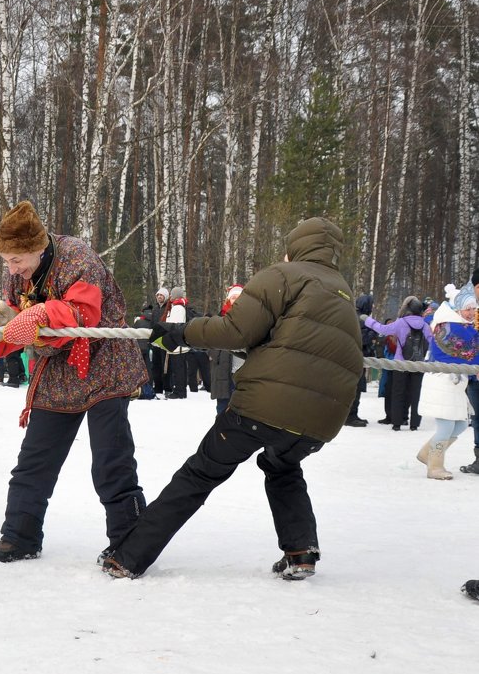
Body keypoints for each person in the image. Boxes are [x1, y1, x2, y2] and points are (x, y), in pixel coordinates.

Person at [102, 217, 363, 581]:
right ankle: (300, 550)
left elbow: (235, 329)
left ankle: (128, 556)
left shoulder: (284, 276)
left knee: (200, 473)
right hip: (322, 420)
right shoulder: (343, 292)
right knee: (283, 466)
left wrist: (179, 334)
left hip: (266, 405)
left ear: (296, 247)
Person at [0, 201, 148, 565]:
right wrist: (2, 323)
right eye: (7, 261)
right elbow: (14, 324)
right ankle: (19, 537)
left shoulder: (78, 258)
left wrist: (42, 312)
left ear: (38, 248)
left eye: (17, 260)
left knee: (110, 461)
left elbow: (85, 314)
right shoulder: (18, 274)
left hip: (104, 363)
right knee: (34, 460)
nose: (12, 269)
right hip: (56, 371)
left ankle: (130, 543)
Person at [414, 295, 479, 479]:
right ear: (457, 310)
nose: (472, 313)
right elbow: (466, 351)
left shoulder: (464, 327)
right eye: (468, 309)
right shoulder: (448, 326)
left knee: (459, 425)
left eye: (474, 309)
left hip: (456, 382)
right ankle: (435, 466)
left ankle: (427, 453)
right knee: (446, 426)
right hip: (442, 381)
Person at [363, 296, 435, 430]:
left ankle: (397, 423)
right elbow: (432, 343)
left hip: (400, 363)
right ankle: (414, 424)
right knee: (416, 394)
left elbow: (382, 329)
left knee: (397, 393)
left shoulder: (401, 323)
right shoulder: (425, 325)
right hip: (419, 364)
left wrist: (366, 320)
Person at [207, 284, 243, 415]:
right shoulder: (219, 319)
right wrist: (214, 354)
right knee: (223, 408)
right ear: (228, 300)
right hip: (223, 369)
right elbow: (209, 341)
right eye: (233, 297)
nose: (236, 300)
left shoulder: (251, 318)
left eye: (239, 297)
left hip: (242, 370)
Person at [344, 294, 377, 427]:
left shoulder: (350, 315)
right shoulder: (362, 320)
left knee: (353, 388)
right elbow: (361, 340)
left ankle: (351, 415)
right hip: (357, 358)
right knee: (355, 389)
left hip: (350, 357)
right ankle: (351, 416)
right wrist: (373, 332)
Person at [163, 286, 190, 399]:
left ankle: (179, 391)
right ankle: (180, 390)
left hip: (177, 344)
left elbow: (175, 325)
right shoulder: (179, 306)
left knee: (178, 369)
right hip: (180, 344)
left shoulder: (177, 308)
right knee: (180, 368)